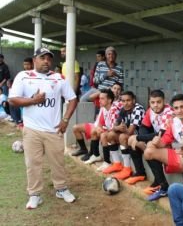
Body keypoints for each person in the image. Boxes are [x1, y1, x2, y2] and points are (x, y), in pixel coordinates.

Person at [8, 47, 78, 209]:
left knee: (58, 162)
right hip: (32, 129)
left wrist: (65, 119)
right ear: (34, 60)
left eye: (49, 58)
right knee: (33, 163)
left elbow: (73, 99)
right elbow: (13, 100)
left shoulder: (58, 78)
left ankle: (61, 189)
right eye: (42, 58)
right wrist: (33, 100)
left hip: (54, 129)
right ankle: (34, 195)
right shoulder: (23, 76)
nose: (46, 61)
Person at [144, 94, 183, 201]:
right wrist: (156, 142)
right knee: (149, 151)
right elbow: (164, 142)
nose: (179, 111)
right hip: (180, 153)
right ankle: (163, 187)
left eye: (182, 107)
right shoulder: (174, 121)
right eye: (176, 108)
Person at [127, 90, 173, 196]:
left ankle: (161, 183)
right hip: (157, 140)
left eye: (158, 102)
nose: (155, 105)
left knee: (145, 145)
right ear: (149, 102)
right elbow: (144, 126)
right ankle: (140, 172)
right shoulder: (150, 111)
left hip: (170, 141)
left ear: (164, 101)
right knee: (133, 141)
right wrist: (140, 139)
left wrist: (138, 137)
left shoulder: (169, 112)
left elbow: (161, 134)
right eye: (152, 102)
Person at [101, 91, 145, 182]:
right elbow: (114, 127)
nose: (125, 103)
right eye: (123, 101)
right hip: (129, 135)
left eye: (128, 100)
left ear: (133, 100)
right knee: (110, 135)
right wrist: (118, 127)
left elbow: (131, 131)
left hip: (140, 137)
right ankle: (117, 164)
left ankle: (127, 168)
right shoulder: (123, 109)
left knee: (122, 137)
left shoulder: (138, 109)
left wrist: (121, 129)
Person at [84, 89, 120, 165]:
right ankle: (96, 155)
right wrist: (99, 128)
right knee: (94, 131)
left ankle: (107, 162)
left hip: (117, 133)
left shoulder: (114, 109)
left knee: (103, 135)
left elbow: (114, 128)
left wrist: (103, 130)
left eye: (102, 98)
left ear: (110, 100)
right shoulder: (103, 108)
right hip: (110, 131)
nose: (99, 101)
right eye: (99, 98)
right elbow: (100, 124)